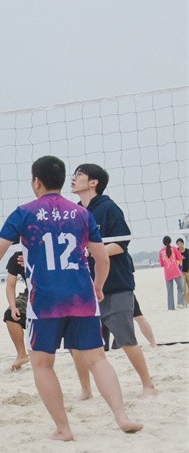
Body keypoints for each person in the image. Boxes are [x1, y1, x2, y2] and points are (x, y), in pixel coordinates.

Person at [0, 156, 141, 440]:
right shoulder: (82, 213)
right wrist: (98, 287)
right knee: (97, 359)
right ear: (61, 180)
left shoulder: (24, 213)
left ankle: (63, 429)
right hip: (81, 296)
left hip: (45, 301)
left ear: (36, 181)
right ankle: (122, 416)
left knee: (43, 364)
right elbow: (102, 258)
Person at [70, 164, 156, 399]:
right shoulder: (75, 212)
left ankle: (148, 385)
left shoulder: (109, 208)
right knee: (76, 343)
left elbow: (122, 243)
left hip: (115, 283)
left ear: (93, 182)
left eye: (79, 175)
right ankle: (86, 390)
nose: (73, 178)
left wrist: (93, 251)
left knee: (126, 338)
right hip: (84, 286)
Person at [3, 251, 30, 371]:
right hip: (32, 293)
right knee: (10, 314)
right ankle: (22, 354)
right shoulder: (18, 257)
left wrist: (35, 260)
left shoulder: (49, 250)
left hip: (58, 292)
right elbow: (10, 285)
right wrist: (13, 306)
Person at [159, 236, 185, 310]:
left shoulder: (161, 251)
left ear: (163, 242)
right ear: (170, 241)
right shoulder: (174, 248)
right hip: (176, 271)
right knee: (180, 288)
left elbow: (162, 264)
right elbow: (180, 258)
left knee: (169, 291)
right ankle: (180, 303)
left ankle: (171, 307)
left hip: (167, 273)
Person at [179, 238, 189, 306]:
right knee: (183, 287)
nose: (179, 245)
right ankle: (185, 302)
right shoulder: (177, 252)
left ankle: (188, 300)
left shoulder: (187, 251)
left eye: (180, 243)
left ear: (183, 243)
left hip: (188, 270)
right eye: (178, 244)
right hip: (181, 272)